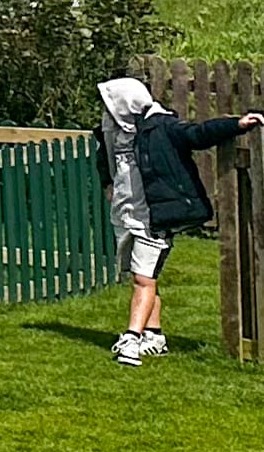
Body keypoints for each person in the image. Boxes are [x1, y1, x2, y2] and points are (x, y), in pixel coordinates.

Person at [100, 76, 260, 365]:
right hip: (126, 215)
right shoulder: (113, 131)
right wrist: (107, 184)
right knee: (142, 277)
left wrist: (237, 124)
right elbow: (105, 155)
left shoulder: (160, 127)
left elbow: (197, 134)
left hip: (155, 215)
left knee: (142, 277)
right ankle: (154, 336)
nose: (106, 111)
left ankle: (131, 341)